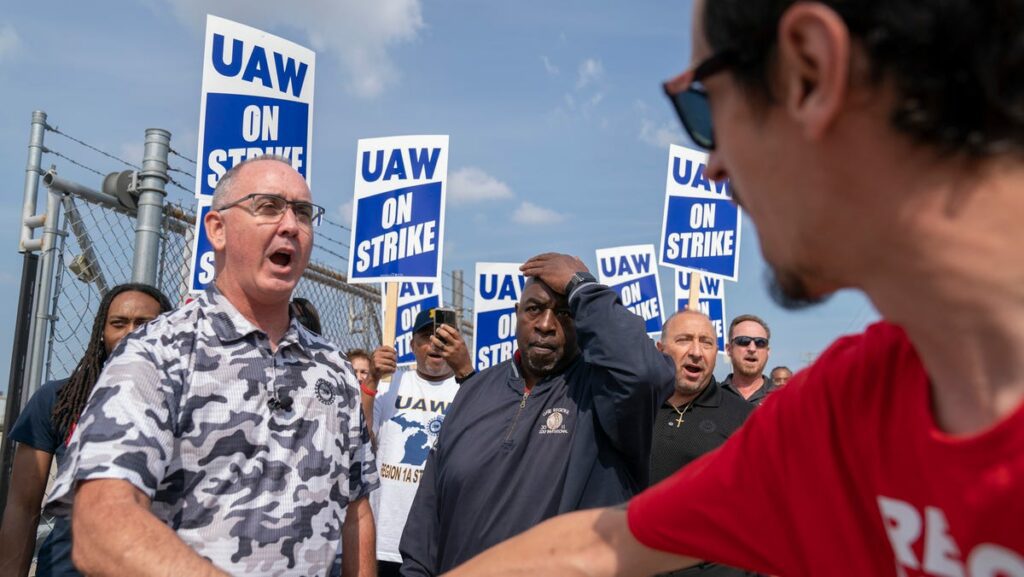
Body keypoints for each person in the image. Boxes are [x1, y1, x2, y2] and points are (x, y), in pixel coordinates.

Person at [443, 0, 1024, 575]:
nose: (714, 164)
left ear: (809, 71)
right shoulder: (847, 404)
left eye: (704, 109)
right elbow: (602, 545)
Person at [45, 156, 379, 577]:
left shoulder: (333, 369)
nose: (291, 225)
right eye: (269, 206)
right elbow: (100, 524)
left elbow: (357, 512)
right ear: (217, 229)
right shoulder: (156, 354)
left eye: (303, 212)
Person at [401, 253, 675, 576]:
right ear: (517, 314)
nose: (546, 325)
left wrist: (583, 287)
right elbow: (428, 516)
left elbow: (645, 373)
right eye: (534, 309)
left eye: (565, 313)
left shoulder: (602, 394)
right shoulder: (475, 391)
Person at [0, 283, 171, 577]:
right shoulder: (59, 399)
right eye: (119, 323)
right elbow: (22, 507)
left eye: (145, 324)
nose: (130, 333)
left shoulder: (193, 403)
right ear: (102, 333)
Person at [363, 309, 473, 577]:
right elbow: (362, 435)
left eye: (444, 337)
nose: (435, 344)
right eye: (426, 337)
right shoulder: (390, 382)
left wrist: (468, 371)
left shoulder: (469, 387)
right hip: (386, 541)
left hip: (439, 542)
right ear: (412, 345)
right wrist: (372, 379)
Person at [649, 310, 755, 577]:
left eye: (706, 343)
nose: (697, 352)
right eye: (684, 340)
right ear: (660, 349)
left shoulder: (744, 418)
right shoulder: (633, 407)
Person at [720, 315, 776, 406]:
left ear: (767, 352)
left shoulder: (785, 400)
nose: (752, 348)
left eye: (760, 342)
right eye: (743, 341)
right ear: (729, 349)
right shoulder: (711, 397)